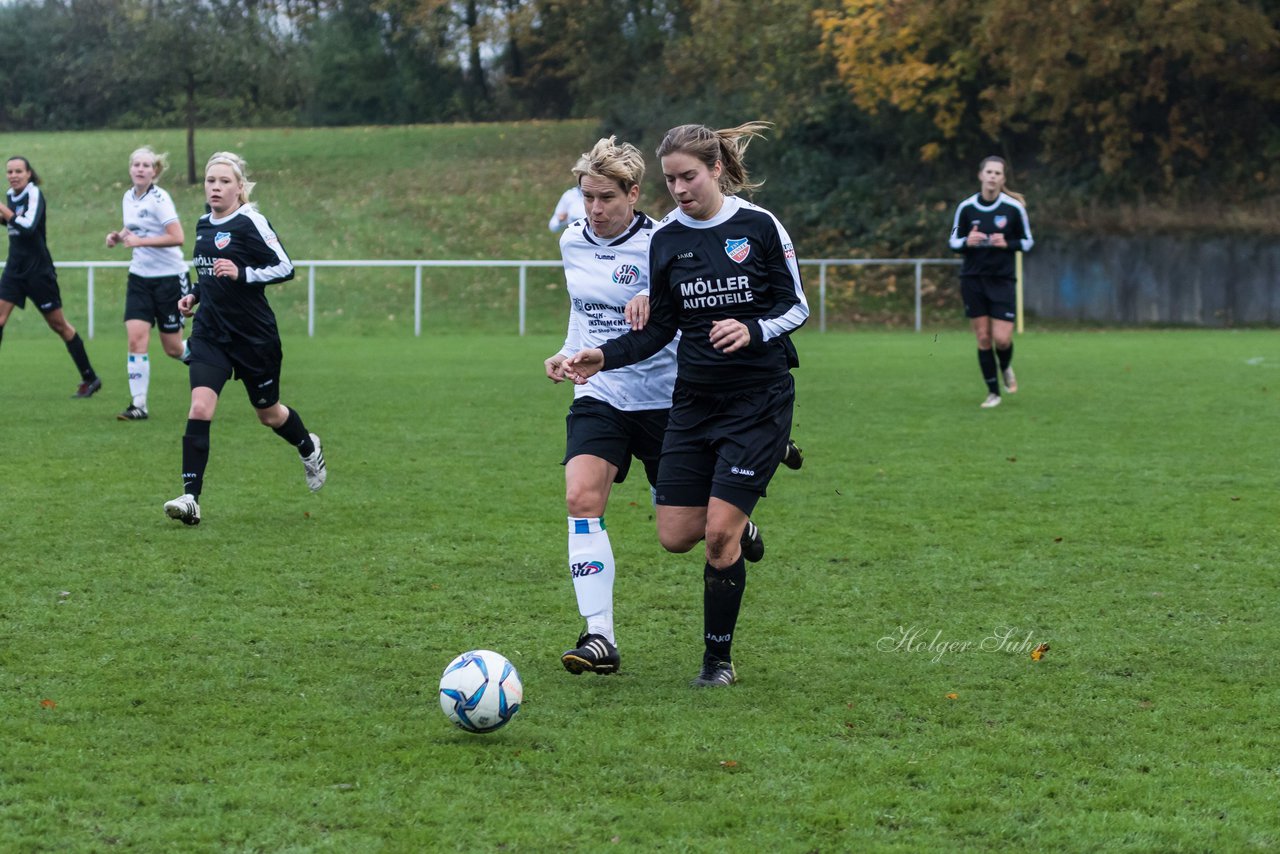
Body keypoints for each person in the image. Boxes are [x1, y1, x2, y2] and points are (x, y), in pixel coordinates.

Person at [564, 122, 809, 688]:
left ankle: (715, 663)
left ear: (716, 169)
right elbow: (659, 331)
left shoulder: (759, 226)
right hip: (693, 403)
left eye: (689, 176)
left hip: (757, 397)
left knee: (719, 536)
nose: (678, 189)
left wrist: (753, 330)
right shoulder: (668, 240)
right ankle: (749, 496)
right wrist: (601, 355)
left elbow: (794, 307)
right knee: (675, 535)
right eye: (670, 179)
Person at [544, 136, 676, 676]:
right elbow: (582, 313)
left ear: (634, 193)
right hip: (600, 393)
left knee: (682, 534)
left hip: (665, 397)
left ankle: (734, 520)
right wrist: (565, 351)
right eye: (587, 197)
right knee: (580, 499)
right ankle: (599, 635)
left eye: (605, 198)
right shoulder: (572, 242)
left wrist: (661, 296)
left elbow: (688, 312)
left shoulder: (666, 243)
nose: (594, 209)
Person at [163, 151, 326, 526]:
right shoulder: (203, 224)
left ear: (239, 188)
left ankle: (307, 446)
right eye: (210, 181)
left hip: (254, 337)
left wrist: (243, 272)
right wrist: (195, 297)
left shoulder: (250, 220)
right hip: (211, 334)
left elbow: (285, 266)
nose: (216, 187)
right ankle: (191, 499)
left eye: (224, 182)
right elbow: (208, 275)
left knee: (268, 414)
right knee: (200, 407)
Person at [0, 156, 102, 397]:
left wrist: (5, 212)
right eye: (9, 171)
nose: (13, 175)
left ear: (28, 174)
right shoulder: (10, 195)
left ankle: (90, 378)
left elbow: (28, 227)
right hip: (14, 270)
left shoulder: (34, 194)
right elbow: (11, 225)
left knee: (59, 325)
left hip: (38, 272)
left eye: (18, 171)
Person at [106, 147, 189, 420]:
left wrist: (140, 242)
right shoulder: (128, 197)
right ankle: (139, 405)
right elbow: (134, 227)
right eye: (136, 165)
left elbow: (177, 236)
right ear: (130, 169)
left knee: (173, 348)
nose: (140, 169)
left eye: (146, 165)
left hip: (169, 279)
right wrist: (118, 237)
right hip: (139, 277)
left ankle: (213, 360)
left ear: (155, 171)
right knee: (136, 340)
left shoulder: (160, 198)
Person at [948, 155, 1034, 409]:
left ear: (1003, 179)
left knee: (1002, 339)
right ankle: (993, 392)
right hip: (973, 280)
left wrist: (1007, 243)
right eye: (989, 172)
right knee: (983, 338)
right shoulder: (966, 208)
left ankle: (1005, 365)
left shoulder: (1013, 209)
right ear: (980, 175)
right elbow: (952, 240)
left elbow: (1028, 241)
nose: (993, 177)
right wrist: (966, 242)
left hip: (1002, 279)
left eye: (998, 173)